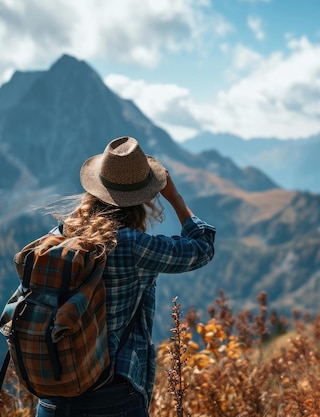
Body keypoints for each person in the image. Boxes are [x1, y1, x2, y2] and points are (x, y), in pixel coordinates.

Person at [35, 136, 216, 417]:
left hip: (53, 394)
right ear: (142, 198)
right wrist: (176, 198)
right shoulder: (131, 245)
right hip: (112, 396)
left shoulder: (56, 238)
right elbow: (202, 248)